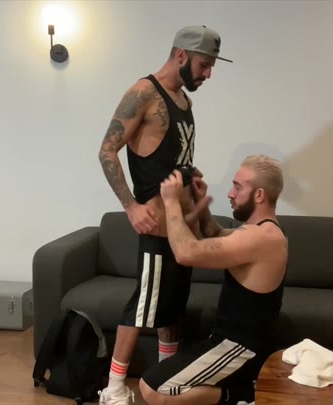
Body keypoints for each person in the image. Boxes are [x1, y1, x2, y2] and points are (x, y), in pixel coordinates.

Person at [96, 25, 232, 404]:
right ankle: (114, 389)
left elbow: (173, 161)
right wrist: (131, 206)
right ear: (182, 55)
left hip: (183, 228)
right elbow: (107, 151)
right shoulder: (144, 93)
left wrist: (192, 179)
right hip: (157, 226)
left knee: (171, 308)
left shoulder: (184, 102)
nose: (208, 74)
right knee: (143, 307)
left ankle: (164, 379)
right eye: (204, 65)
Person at [139, 154, 288, 405]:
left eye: (238, 187)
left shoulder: (263, 238)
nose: (230, 194)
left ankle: (245, 397)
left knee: (153, 389)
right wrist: (199, 202)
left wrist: (171, 202)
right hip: (225, 341)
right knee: (156, 383)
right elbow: (213, 233)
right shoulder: (258, 232)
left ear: (259, 195)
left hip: (242, 349)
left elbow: (186, 253)